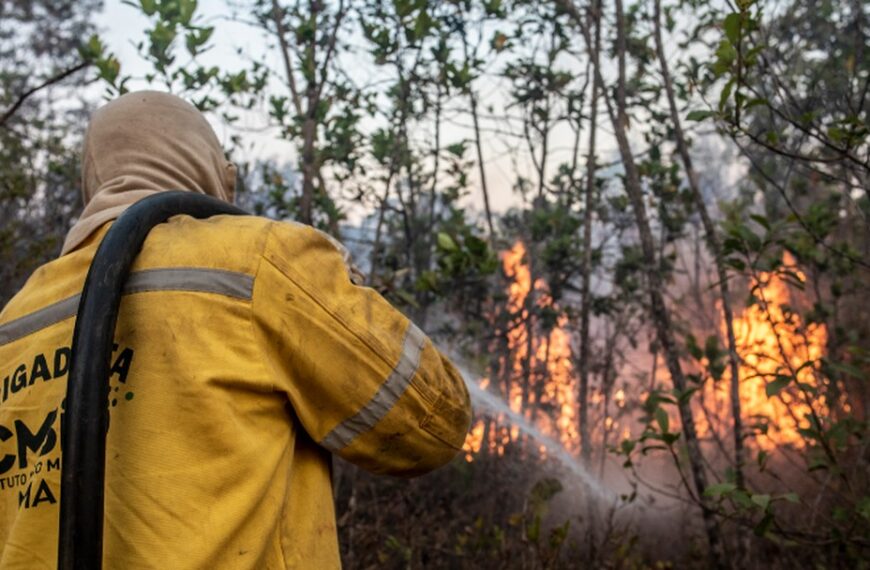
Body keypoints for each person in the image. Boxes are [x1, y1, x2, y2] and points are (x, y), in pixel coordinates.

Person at [0, 91, 472, 568]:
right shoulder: (257, 261)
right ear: (211, 171)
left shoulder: (15, 319)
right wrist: (337, 291)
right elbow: (434, 424)